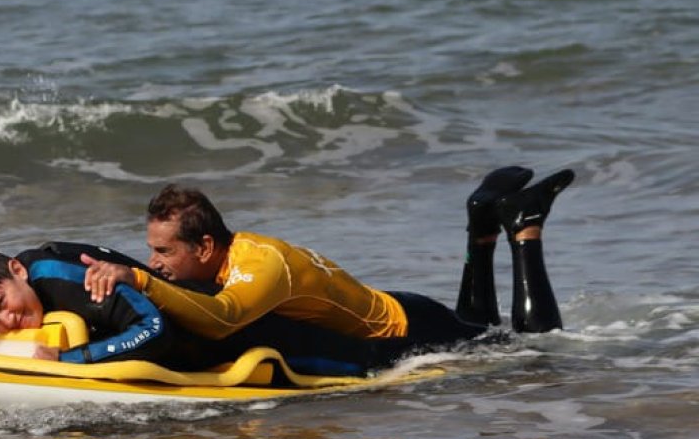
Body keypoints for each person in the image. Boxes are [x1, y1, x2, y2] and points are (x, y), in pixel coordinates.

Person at [80, 167, 573, 366]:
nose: (154, 262)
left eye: (164, 252)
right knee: (485, 329)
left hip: (410, 329)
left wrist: (136, 279)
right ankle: (482, 223)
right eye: (151, 253)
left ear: (205, 246)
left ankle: (525, 228)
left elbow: (224, 317)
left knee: (534, 353)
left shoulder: (259, 267)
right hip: (399, 310)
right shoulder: (237, 256)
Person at [0, 241, 382, 375]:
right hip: (193, 346)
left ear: (18, 270)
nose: (7, 319)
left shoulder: (73, 279)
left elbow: (155, 331)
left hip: (232, 338)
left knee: (378, 364)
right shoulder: (29, 290)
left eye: (2, 304)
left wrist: (70, 358)